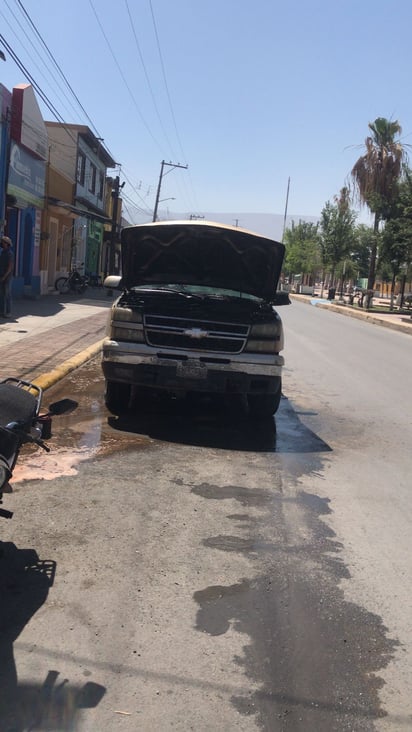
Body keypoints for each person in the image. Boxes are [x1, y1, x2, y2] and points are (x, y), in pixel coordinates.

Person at [0, 236, 14, 317]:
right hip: (1, 275)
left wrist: (4, 277)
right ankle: (2, 311)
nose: (2, 243)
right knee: (1, 294)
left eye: (3, 242)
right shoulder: (2, 252)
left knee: (7, 294)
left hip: (7, 277)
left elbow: (10, 267)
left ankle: (8, 312)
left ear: (7, 244)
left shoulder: (9, 253)